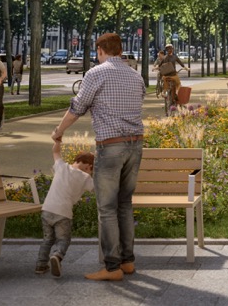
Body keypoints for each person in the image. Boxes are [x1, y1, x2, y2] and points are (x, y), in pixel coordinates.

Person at [52, 32, 145, 282]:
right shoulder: (136, 76)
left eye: (97, 52)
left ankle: (112, 267)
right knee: (125, 204)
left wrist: (59, 131)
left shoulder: (96, 73)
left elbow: (77, 108)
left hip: (111, 145)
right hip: (136, 145)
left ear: (101, 50)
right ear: (120, 50)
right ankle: (127, 262)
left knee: (107, 208)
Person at [35, 146, 94, 277]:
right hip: (63, 213)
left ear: (76, 160)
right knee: (63, 240)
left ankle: (41, 265)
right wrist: (90, 173)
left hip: (47, 209)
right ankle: (57, 255)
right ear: (89, 166)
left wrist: (57, 141)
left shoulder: (61, 166)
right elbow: (97, 188)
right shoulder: (85, 178)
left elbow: (55, 151)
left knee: (47, 239)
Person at [154, 45, 186, 111]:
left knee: (165, 82)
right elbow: (180, 63)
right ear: (172, 49)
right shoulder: (174, 57)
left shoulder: (165, 57)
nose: (169, 50)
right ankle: (176, 93)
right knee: (179, 84)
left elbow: (160, 65)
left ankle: (165, 92)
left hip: (166, 75)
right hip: (173, 74)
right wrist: (186, 68)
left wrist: (156, 68)